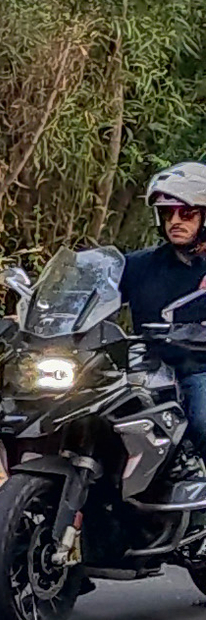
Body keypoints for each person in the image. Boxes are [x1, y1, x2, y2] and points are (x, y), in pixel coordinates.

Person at [120, 163, 206, 448]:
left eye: (187, 213)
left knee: (202, 419)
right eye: (168, 213)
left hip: (196, 367)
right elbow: (95, 292)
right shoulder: (138, 264)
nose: (175, 221)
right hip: (144, 366)